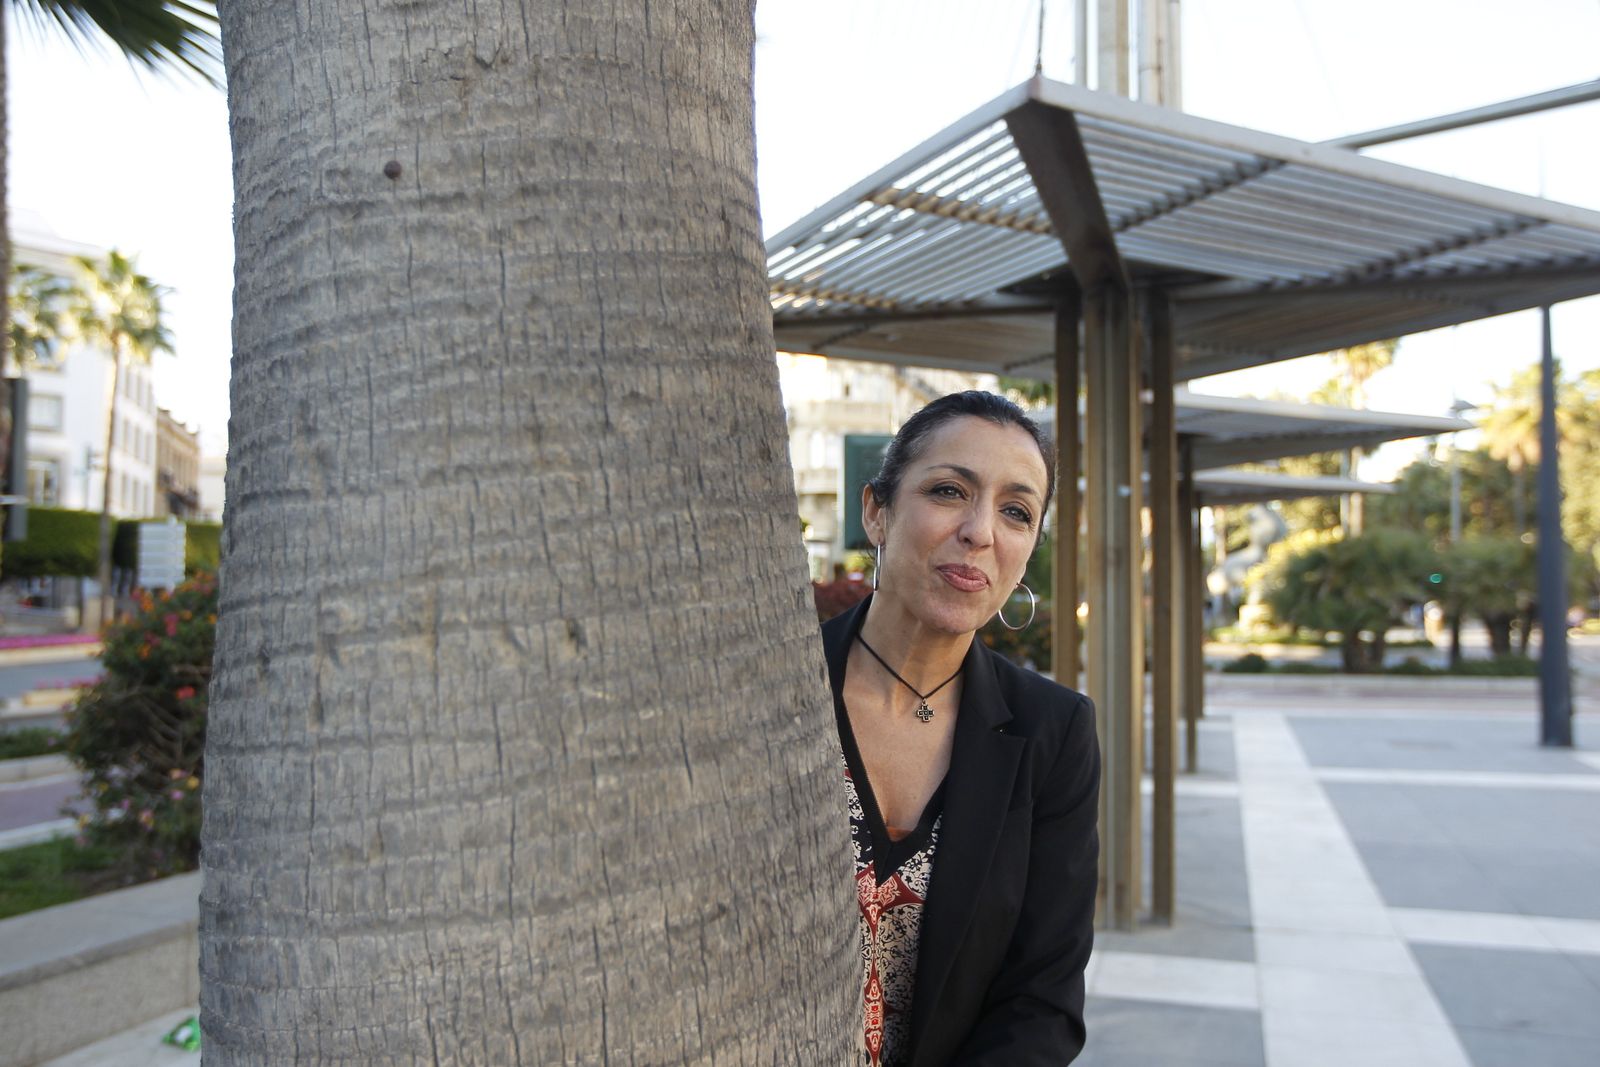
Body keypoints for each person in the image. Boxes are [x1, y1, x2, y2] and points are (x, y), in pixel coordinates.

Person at [821, 391, 1100, 1067]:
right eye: (949, 491)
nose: (980, 532)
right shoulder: (776, 691)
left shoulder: (1053, 731)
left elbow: (1042, 999)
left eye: (1016, 511)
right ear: (877, 511)